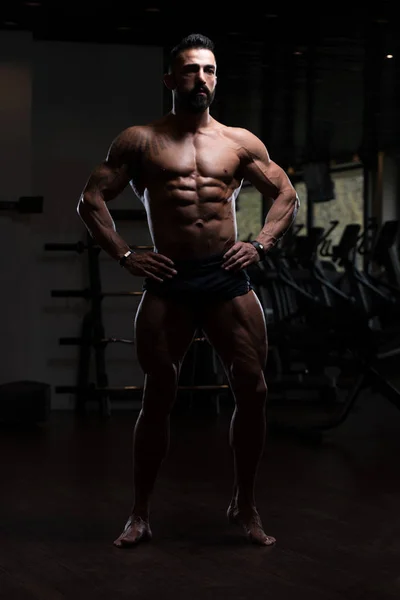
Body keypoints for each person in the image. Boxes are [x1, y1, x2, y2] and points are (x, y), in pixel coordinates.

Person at [77, 33, 299, 548]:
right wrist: (126, 255)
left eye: (210, 70)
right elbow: (91, 199)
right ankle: (139, 513)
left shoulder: (240, 142)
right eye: (191, 70)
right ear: (170, 80)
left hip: (225, 275)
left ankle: (244, 504)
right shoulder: (140, 140)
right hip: (171, 278)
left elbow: (285, 193)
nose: (202, 79)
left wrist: (261, 245)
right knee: (159, 394)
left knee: (255, 388)